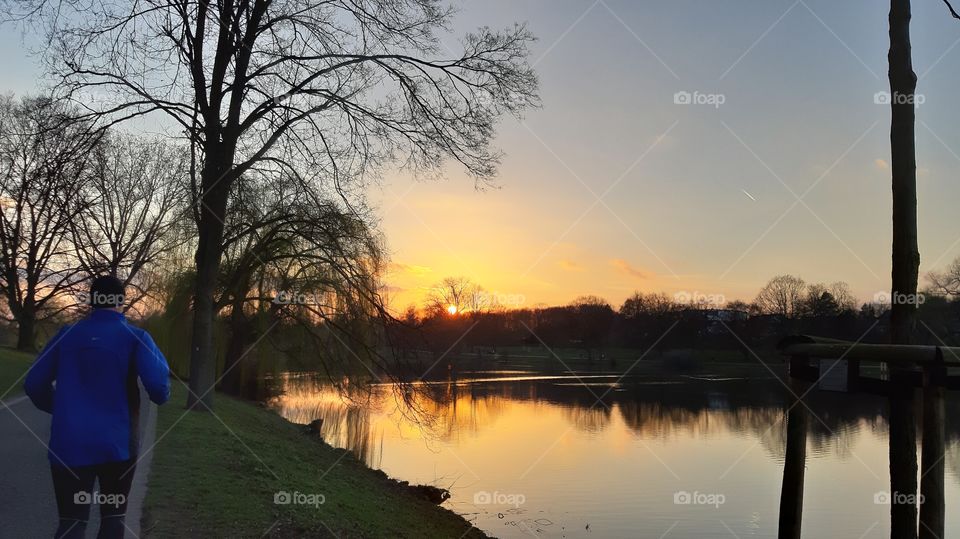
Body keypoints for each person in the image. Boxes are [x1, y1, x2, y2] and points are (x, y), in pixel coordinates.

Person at [24, 275, 170, 539]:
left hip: (68, 443)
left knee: (71, 521)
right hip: (117, 445)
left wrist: (62, 409)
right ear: (121, 302)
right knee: (113, 519)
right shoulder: (136, 338)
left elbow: (34, 384)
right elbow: (159, 390)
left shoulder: (65, 335)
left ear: (93, 301)